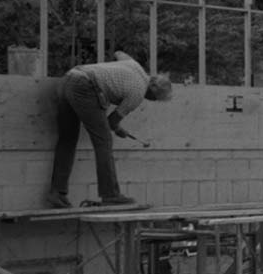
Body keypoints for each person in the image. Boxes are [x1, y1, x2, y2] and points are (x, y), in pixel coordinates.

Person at [46, 51, 172, 209]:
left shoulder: (134, 65)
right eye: (155, 98)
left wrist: (109, 73)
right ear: (153, 90)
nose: (152, 101)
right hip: (85, 86)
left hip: (69, 79)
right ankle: (110, 194)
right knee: (104, 141)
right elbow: (111, 121)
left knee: (68, 139)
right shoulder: (137, 94)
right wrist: (117, 128)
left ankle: (57, 193)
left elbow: (118, 53)